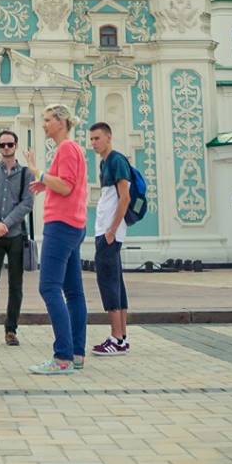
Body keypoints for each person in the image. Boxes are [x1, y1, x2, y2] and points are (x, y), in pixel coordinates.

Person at [27, 105, 88, 374]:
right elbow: (64, 183)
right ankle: (76, 354)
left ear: (61, 122)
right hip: (74, 224)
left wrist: (38, 173)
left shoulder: (66, 149)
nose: (44, 124)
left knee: (49, 287)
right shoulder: (71, 149)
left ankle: (62, 356)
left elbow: (65, 186)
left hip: (61, 225)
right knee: (74, 292)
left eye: (48, 119)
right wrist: (46, 183)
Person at [0, 128, 36, 346]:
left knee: (15, 284)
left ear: (16, 146)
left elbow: (27, 203)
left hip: (15, 236)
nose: (6, 148)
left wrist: (6, 223)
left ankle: (11, 329)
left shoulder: (26, 174)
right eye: (2, 145)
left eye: (9, 145)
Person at [87, 123, 134, 356]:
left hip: (109, 232)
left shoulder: (116, 160)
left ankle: (115, 338)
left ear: (108, 137)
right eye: (92, 139)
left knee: (107, 281)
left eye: (97, 138)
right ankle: (122, 337)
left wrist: (112, 230)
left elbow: (124, 197)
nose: (93, 143)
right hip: (105, 230)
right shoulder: (105, 162)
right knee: (115, 280)